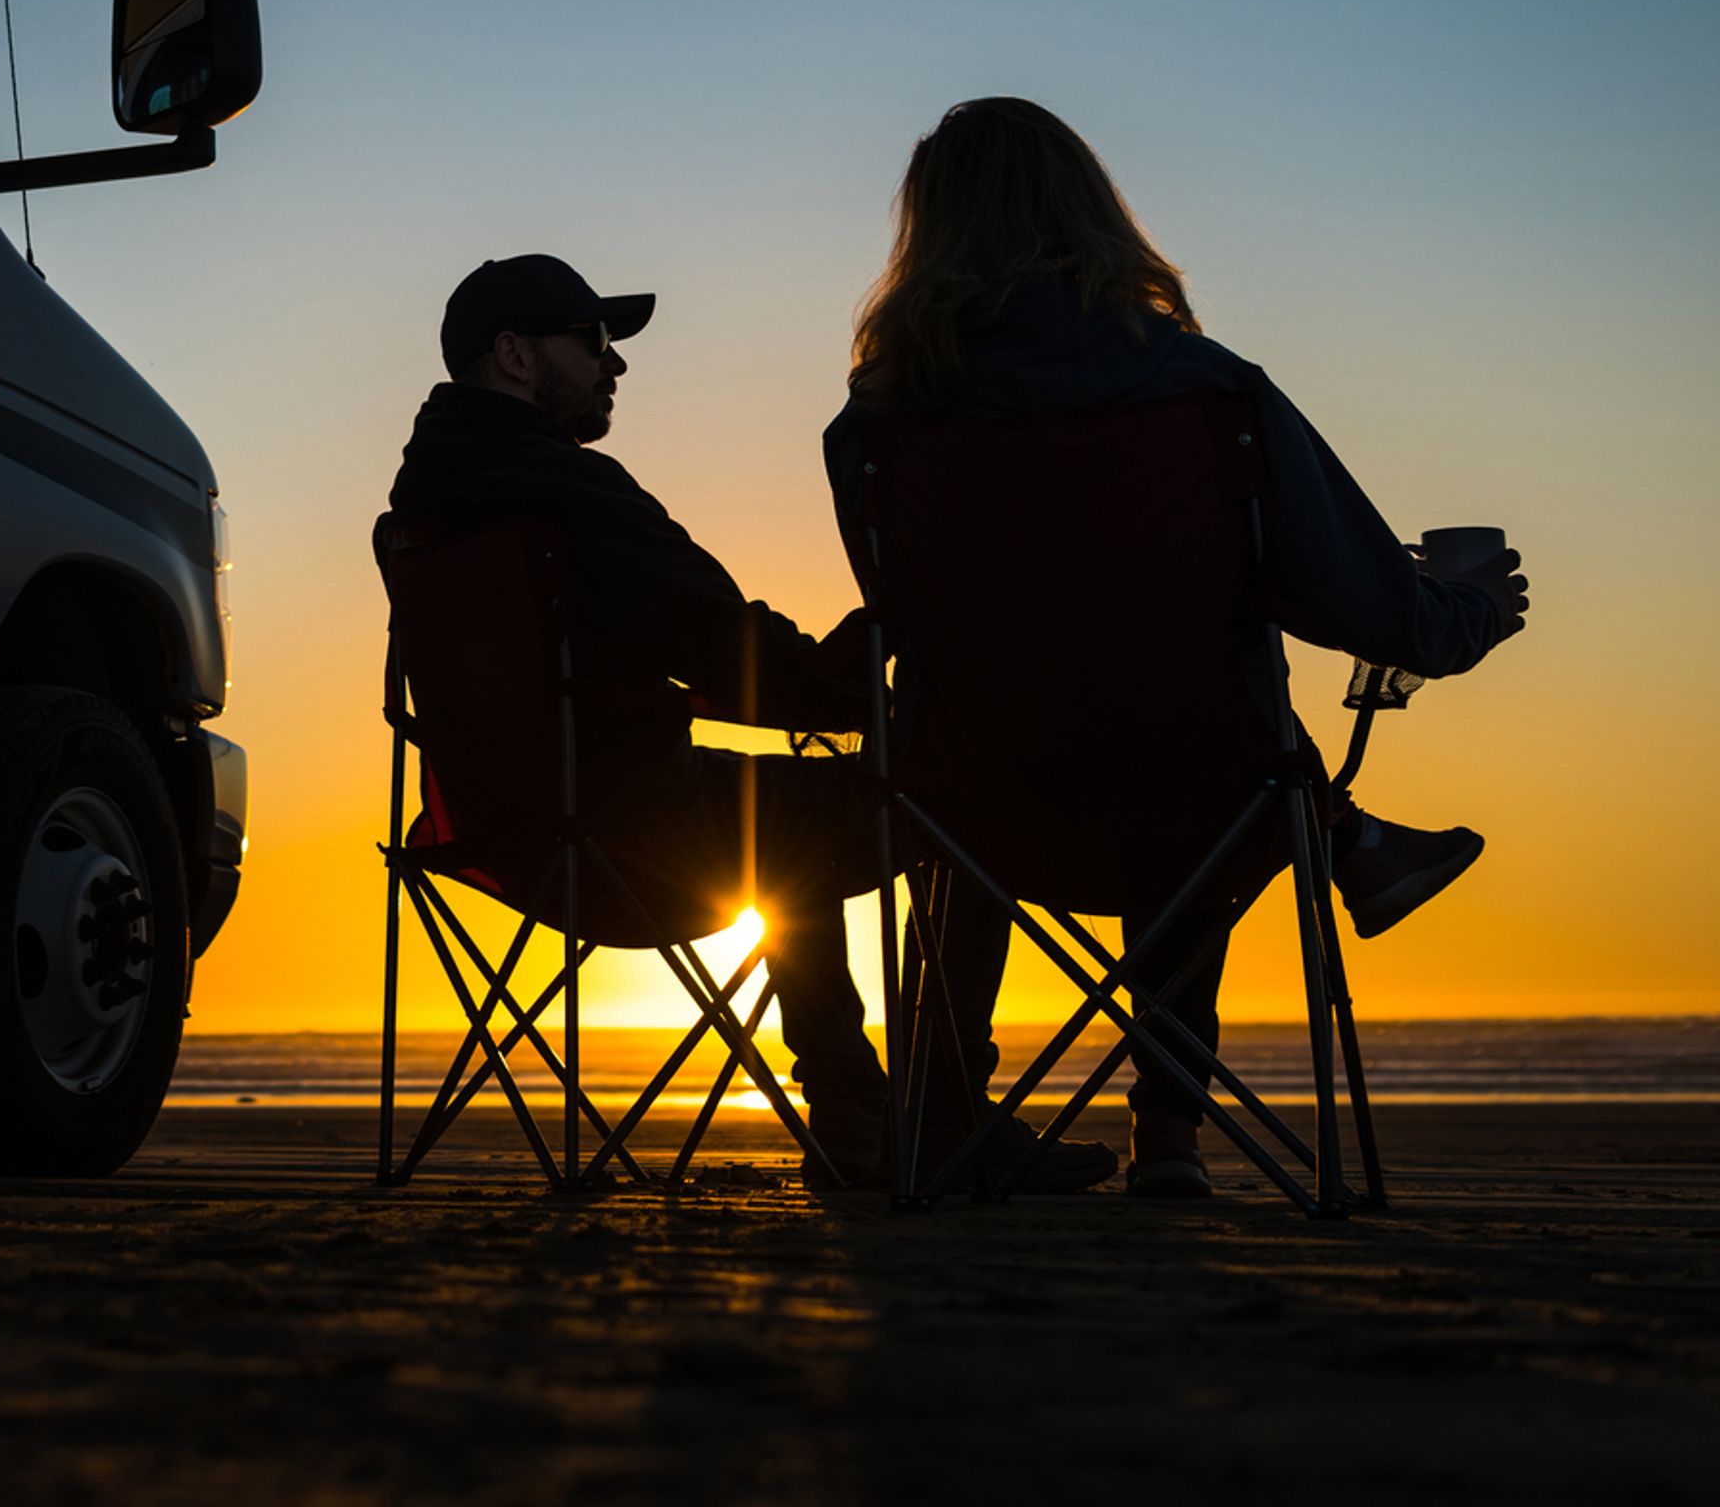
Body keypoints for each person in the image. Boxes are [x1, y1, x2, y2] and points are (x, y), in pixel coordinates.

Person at [824, 98, 1532, 1199]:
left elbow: (929, 620)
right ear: (1093, 213)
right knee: (1193, 750)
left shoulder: (876, 428)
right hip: (1197, 793)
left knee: (1006, 749)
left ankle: (944, 1122)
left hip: (971, 802)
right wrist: (1470, 605)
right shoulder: (1208, 394)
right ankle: (1170, 1143)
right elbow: (1384, 619)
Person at [388, 253, 1116, 1193]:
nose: (615, 365)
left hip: (501, 836)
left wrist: (816, 690)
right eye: (595, 341)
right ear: (515, 356)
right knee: (958, 802)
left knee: (786, 817)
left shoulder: (425, 507)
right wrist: (875, 672)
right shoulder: (568, 492)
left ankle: (855, 1108)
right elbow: (733, 651)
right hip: (641, 839)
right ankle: (940, 1118)